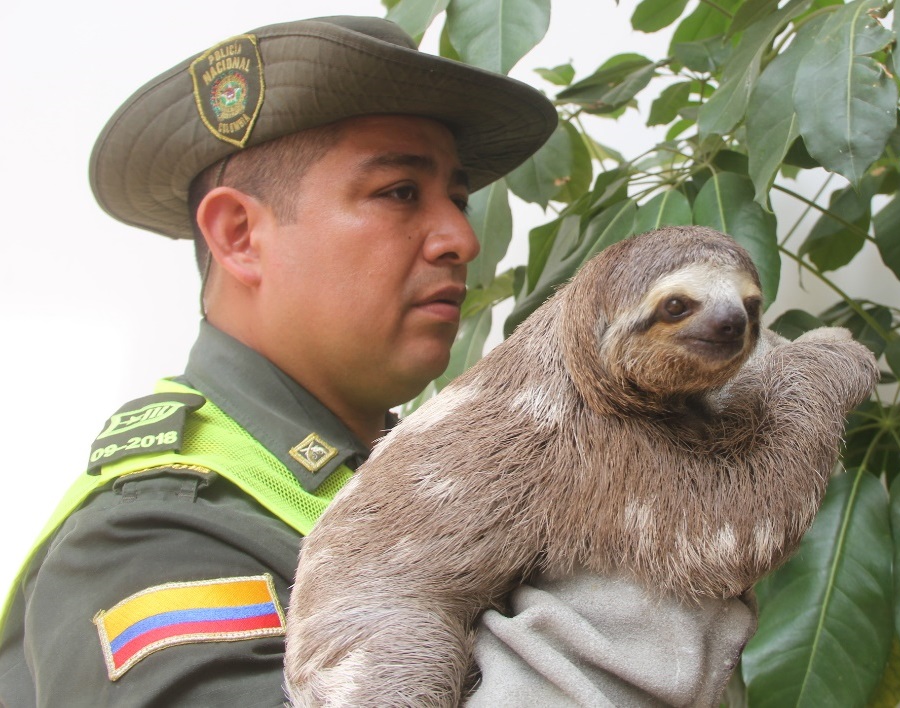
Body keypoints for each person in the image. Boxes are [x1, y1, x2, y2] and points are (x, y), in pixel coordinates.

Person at [0, 15, 754, 706]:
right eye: (400, 192)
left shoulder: (430, 466)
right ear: (237, 235)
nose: (461, 236)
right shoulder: (155, 538)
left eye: (457, 197)